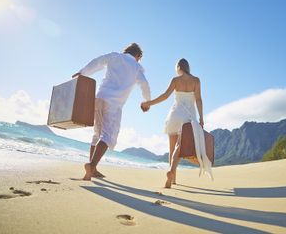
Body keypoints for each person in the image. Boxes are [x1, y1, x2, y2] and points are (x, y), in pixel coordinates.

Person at [72, 43, 151, 180]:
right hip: (114, 104)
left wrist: (83, 72)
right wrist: (147, 101)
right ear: (138, 55)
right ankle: (91, 166)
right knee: (108, 136)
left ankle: (93, 169)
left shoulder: (115, 56)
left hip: (99, 97)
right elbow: (145, 85)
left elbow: (98, 61)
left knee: (97, 133)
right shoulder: (136, 67)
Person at [141, 58, 211, 188]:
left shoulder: (175, 80)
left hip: (174, 115)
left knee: (171, 147)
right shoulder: (196, 80)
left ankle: (172, 180)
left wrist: (148, 103)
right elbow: (199, 100)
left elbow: (164, 96)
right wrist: (201, 118)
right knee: (179, 147)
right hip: (187, 117)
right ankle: (172, 172)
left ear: (179, 67)